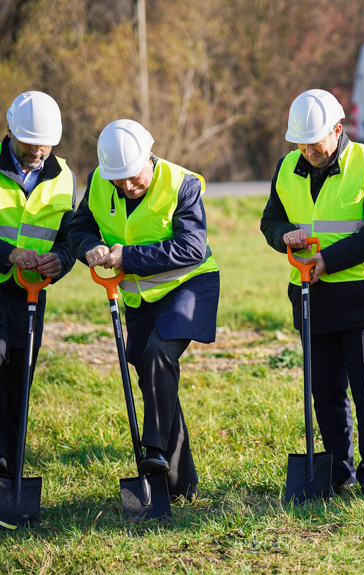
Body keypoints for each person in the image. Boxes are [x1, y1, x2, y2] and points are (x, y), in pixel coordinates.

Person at [69, 119, 219, 502]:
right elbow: (78, 226)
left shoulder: (181, 184)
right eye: (119, 181)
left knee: (158, 353)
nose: (127, 187)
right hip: (139, 297)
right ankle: (181, 485)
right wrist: (89, 247)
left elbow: (192, 247)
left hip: (189, 286)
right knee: (152, 372)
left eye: (134, 178)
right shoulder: (101, 182)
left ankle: (151, 450)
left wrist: (128, 256)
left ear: (150, 158)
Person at [260, 89, 364, 496]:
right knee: (325, 394)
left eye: (314, 141)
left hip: (361, 296)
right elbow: (270, 220)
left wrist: (329, 260)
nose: (307, 150)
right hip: (309, 298)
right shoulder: (287, 167)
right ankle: (340, 472)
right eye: (300, 142)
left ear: (338, 130)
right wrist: (284, 236)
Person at [0, 91, 76, 480]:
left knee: (19, 379)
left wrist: (60, 261)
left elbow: (70, 237)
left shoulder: (63, 175)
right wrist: (9, 253)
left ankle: (10, 469)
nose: (39, 150)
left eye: (46, 142)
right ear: (11, 129)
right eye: (31, 141)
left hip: (31, 293)